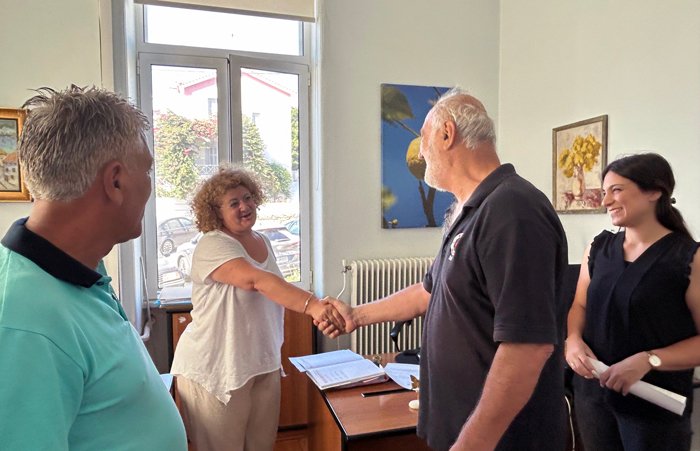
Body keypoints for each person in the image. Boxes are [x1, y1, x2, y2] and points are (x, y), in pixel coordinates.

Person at [320, 87, 569, 451]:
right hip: (459, 424)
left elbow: (527, 347)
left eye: (423, 138)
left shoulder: (512, 210)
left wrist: (471, 444)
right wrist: (356, 316)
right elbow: (430, 291)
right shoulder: (469, 210)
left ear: (447, 133)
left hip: (502, 440)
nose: (421, 151)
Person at [0, 85, 187, 450]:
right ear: (115, 181)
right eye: (147, 170)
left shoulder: (81, 269)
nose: (149, 186)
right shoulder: (23, 321)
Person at [170, 166, 344, 451]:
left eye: (248, 198)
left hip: (261, 363)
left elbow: (275, 288)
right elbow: (256, 281)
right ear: (216, 212)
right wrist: (313, 305)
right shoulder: (212, 244)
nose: (245, 206)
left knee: (262, 445)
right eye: (233, 203)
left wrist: (317, 307)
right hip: (216, 369)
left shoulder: (262, 240)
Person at [565, 153, 700, 451]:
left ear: (654, 192)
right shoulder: (598, 248)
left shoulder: (689, 258)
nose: (605, 201)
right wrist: (572, 339)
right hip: (593, 397)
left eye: (616, 190)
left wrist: (649, 360)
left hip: (654, 405)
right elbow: (580, 306)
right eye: (604, 192)